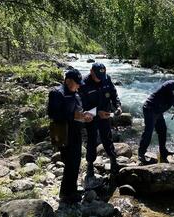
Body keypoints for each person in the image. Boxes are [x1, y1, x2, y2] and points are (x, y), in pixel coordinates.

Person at [47, 69, 93, 203]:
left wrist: (85, 116)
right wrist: (74, 116)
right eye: (76, 83)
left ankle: (71, 189)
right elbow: (53, 114)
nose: (79, 86)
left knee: (76, 161)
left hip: (76, 132)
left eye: (80, 83)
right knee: (70, 162)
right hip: (64, 133)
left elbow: (78, 111)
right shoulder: (57, 93)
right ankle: (66, 194)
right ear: (68, 81)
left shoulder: (76, 93)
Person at [79, 63, 122, 185]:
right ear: (91, 71)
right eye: (98, 76)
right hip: (91, 117)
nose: (100, 78)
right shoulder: (83, 84)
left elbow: (114, 94)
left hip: (105, 115)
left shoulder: (106, 78)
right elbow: (81, 106)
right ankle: (90, 165)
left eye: (102, 76)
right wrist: (97, 113)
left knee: (107, 138)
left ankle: (113, 160)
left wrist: (118, 106)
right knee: (92, 140)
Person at [138, 77, 174, 165]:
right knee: (148, 132)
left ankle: (163, 152)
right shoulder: (171, 85)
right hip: (150, 109)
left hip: (158, 111)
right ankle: (141, 154)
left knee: (163, 131)